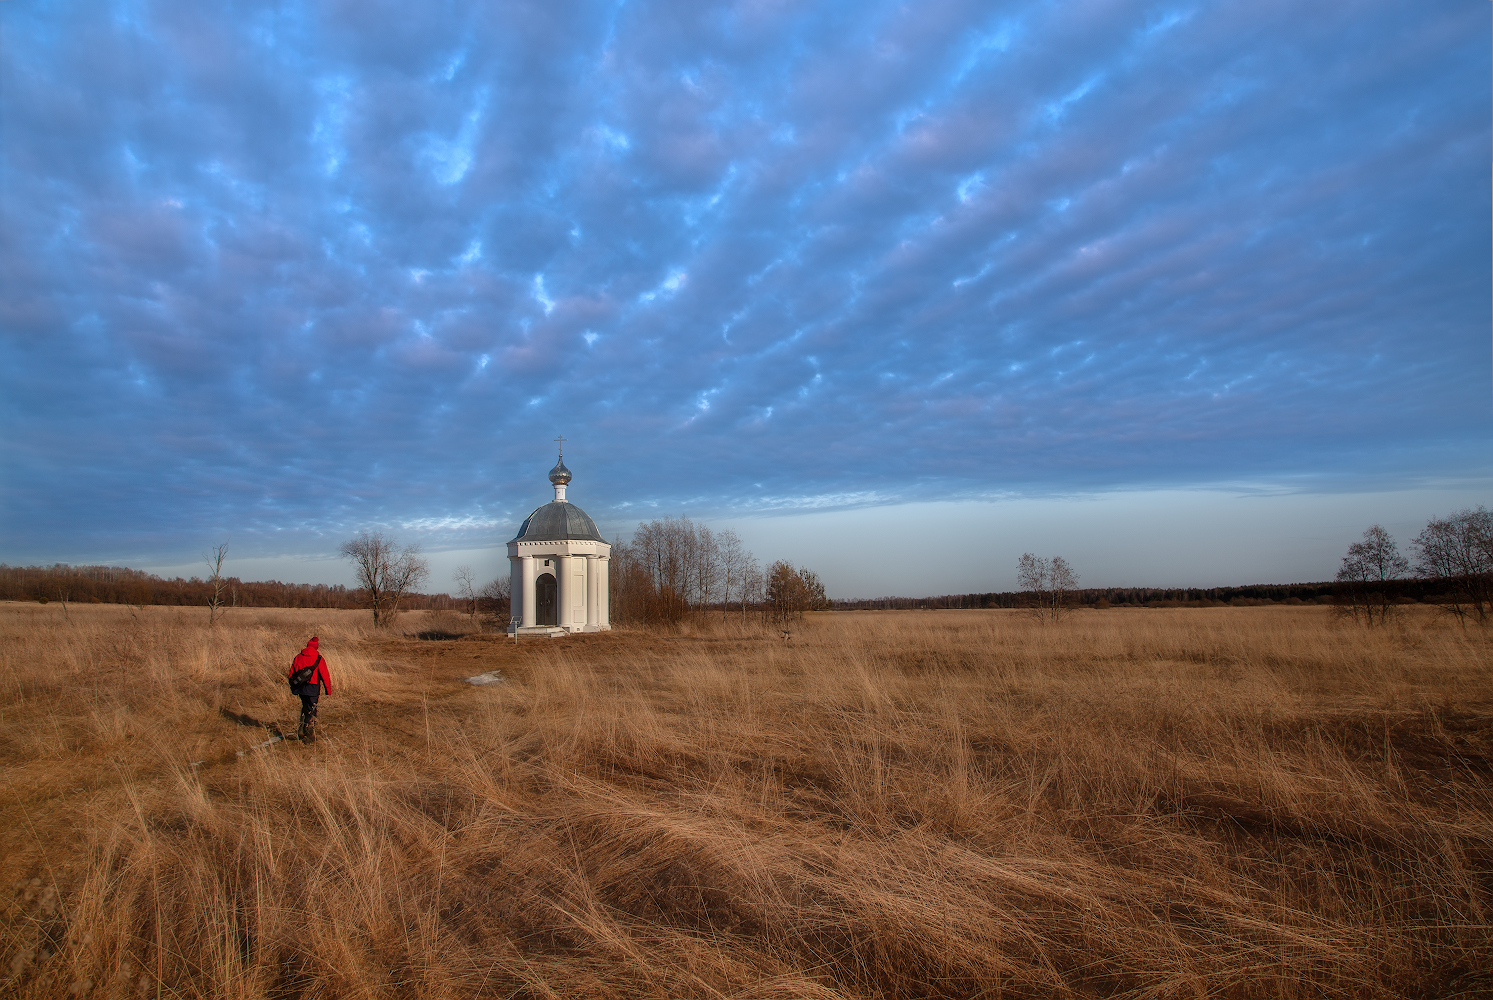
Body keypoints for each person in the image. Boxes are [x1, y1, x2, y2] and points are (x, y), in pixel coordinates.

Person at [287, 636, 332, 743]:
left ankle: (301, 729)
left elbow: (291, 674)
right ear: (316, 647)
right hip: (313, 687)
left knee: (305, 706)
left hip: (300, 688)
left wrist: (293, 686)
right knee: (312, 709)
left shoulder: (298, 657)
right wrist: (328, 690)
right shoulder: (319, 659)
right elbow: (325, 676)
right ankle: (309, 734)